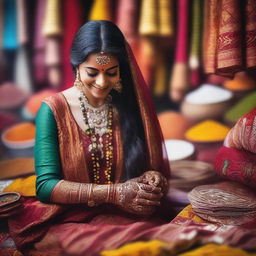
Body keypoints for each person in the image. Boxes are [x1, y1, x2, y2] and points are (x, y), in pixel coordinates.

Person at [8, 20, 174, 256]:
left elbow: (144, 164)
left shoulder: (127, 105)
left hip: (124, 215)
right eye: (92, 72)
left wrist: (151, 177)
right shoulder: (54, 110)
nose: (102, 82)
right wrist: (114, 193)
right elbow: (45, 186)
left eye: (112, 73)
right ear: (76, 67)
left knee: (157, 243)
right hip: (68, 219)